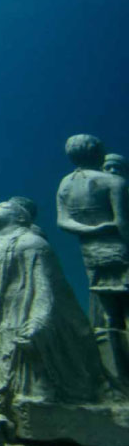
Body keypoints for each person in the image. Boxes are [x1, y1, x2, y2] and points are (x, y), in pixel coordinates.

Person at [0, 199, 114, 408]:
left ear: (21, 217)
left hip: (19, 318)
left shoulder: (32, 244)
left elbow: (45, 288)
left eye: (4, 206)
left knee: (32, 385)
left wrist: (37, 322)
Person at [57, 133, 129, 381]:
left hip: (91, 252)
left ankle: (113, 378)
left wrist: (90, 231)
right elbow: (122, 224)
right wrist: (103, 229)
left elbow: (64, 221)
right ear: (98, 152)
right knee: (116, 312)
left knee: (108, 314)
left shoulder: (66, 183)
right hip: (120, 250)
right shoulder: (112, 184)